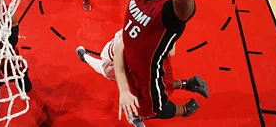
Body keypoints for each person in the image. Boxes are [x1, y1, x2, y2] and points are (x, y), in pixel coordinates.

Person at [75, 30, 207, 95]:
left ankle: (188, 84)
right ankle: (85, 57)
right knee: (138, 90)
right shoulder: (130, 43)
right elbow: (170, 52)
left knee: (153, 85)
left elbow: (170, 51)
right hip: (114, 61)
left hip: (132, 60)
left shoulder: (147, 27)